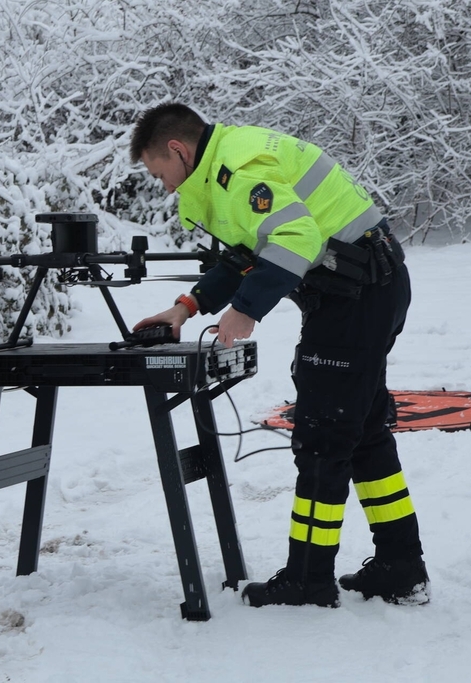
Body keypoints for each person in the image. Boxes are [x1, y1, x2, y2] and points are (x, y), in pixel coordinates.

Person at [129, 103, 429, 608]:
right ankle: (399, 565)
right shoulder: (233, 160)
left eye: (161, 173)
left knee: (323, 437)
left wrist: (245, 311)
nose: (166, 187)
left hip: (356, 298)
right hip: (367, 290)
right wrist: (188, 307)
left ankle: (308, 579)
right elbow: (247, 251)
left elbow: (296, 236)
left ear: (178, 150)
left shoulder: (240, 171)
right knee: (363, 430)